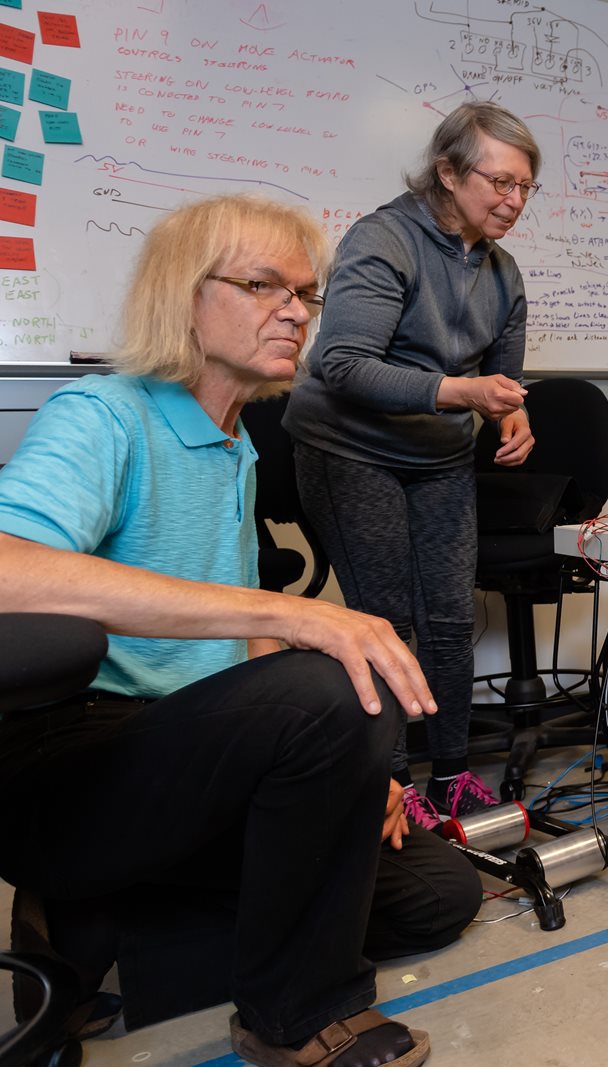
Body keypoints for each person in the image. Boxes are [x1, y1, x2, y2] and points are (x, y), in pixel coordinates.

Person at [0, 195, 477, 1065]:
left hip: (193, 760)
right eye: (264, 285)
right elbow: (7, 569)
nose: (296, 311)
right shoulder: (103, 413)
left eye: (306, 293)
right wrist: (288, 611)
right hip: (73, 764)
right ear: (186, 296)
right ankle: (294, 1014)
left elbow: (249, 656)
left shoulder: (238, 444)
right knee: (335, 666)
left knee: (439, 890)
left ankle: (106, 936)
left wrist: (355, 778)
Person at [284, 101, 539, 828]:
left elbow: (502, 383)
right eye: (500, 182)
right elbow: (340, 362)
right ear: (449, 171)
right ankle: (390, 786)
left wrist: (510, 414)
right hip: (349, 447)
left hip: (438, 455)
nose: (513, 201)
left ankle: (452, 778)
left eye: (525, 187)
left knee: (453, 619)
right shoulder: (383, 239)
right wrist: (458, 390)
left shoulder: (503, 273)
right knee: (387, 620)